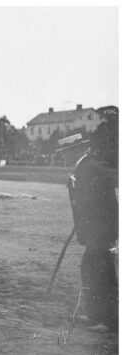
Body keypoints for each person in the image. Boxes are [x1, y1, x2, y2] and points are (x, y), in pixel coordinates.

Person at [57, 133, 118, 332]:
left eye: (66, 152)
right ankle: (95, 316)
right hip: (96, 229)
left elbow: (102, 203)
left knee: (99, 270)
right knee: (92, 268)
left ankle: (108, 321)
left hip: (101, 230)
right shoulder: (84, 168)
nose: (63, 156)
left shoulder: (91, 169)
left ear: (75, 150)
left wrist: (96, 231)